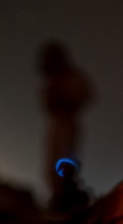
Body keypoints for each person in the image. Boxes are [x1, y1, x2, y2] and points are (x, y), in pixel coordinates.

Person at [38, 41, 94, 209]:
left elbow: (85, 95)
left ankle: (66, 203)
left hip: (67, 123)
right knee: (51, 170)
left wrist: (64, 95)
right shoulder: (52, 82)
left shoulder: (72, 77)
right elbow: (47, 105)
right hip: (56, 125)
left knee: (65, 166)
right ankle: (58, 200)